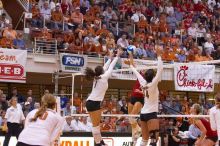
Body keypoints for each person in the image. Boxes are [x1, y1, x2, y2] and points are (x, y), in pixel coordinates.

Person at [85, 49, 122, 146]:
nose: (103, 69)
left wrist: (110, 58)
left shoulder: (98, 76)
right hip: (93, 103)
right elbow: (110, 67)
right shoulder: (104, 77)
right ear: (101, 72)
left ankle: (100, 141)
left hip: (93, 102)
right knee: (96, 124)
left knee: (97, 124)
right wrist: (117, 56)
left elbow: (105, 67)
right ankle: (98, 143)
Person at [127, 53, 163, 146]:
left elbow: (134, 70)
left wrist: (130, 64)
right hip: (151, 114)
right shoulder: (153, 84)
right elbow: (160, 70)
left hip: (143, 114)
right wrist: (159, 55)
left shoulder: (143, 82)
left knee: (144, 140)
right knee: (154, 141)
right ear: (153, 77)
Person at [128, 78, 144, 145]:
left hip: (140, 98)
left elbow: (149, 92)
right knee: (131, 119)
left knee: (131, 117)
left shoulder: (148, 77)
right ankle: (134, 142)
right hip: (133, 97)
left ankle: (139, 129)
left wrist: (141, 91)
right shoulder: (139, 73)